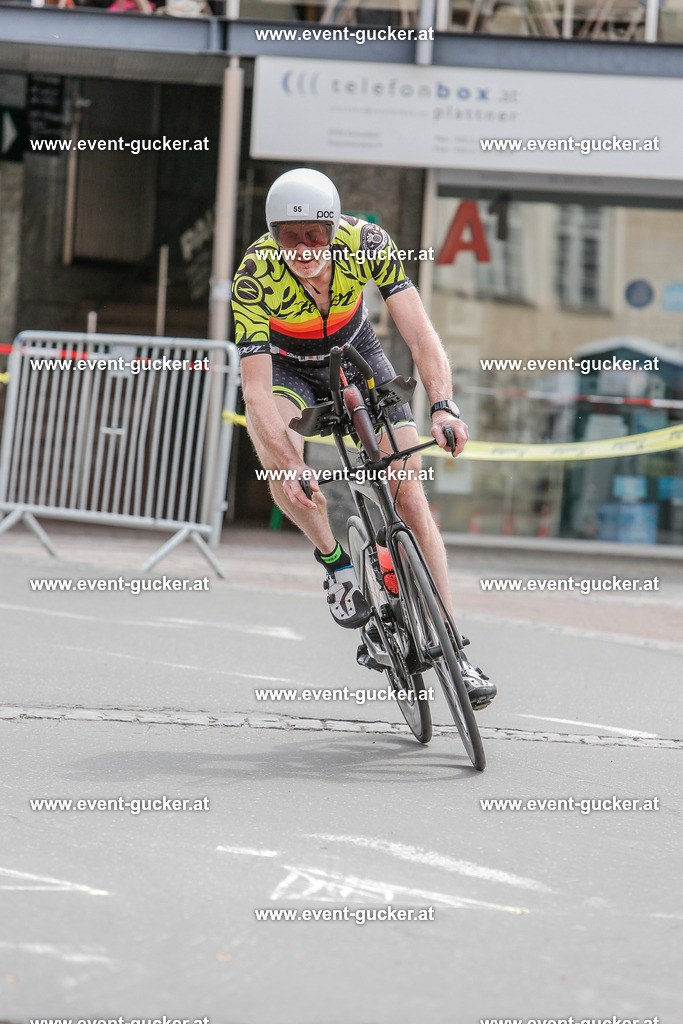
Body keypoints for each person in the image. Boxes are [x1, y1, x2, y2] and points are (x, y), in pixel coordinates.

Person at [231, 168, 496, 709]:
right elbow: (256, 394)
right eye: (289, 236)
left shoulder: (367, 242)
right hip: (287, 368)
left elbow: (419, 332)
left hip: (357, 353)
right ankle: (335, 565)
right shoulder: (254, 274)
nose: (304, 249)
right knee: (280, 450)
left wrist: (443, 406)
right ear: (272, 233)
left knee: (410, 495)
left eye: (315, 236)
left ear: (333, 228)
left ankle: (455, 651)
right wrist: (290, 461)